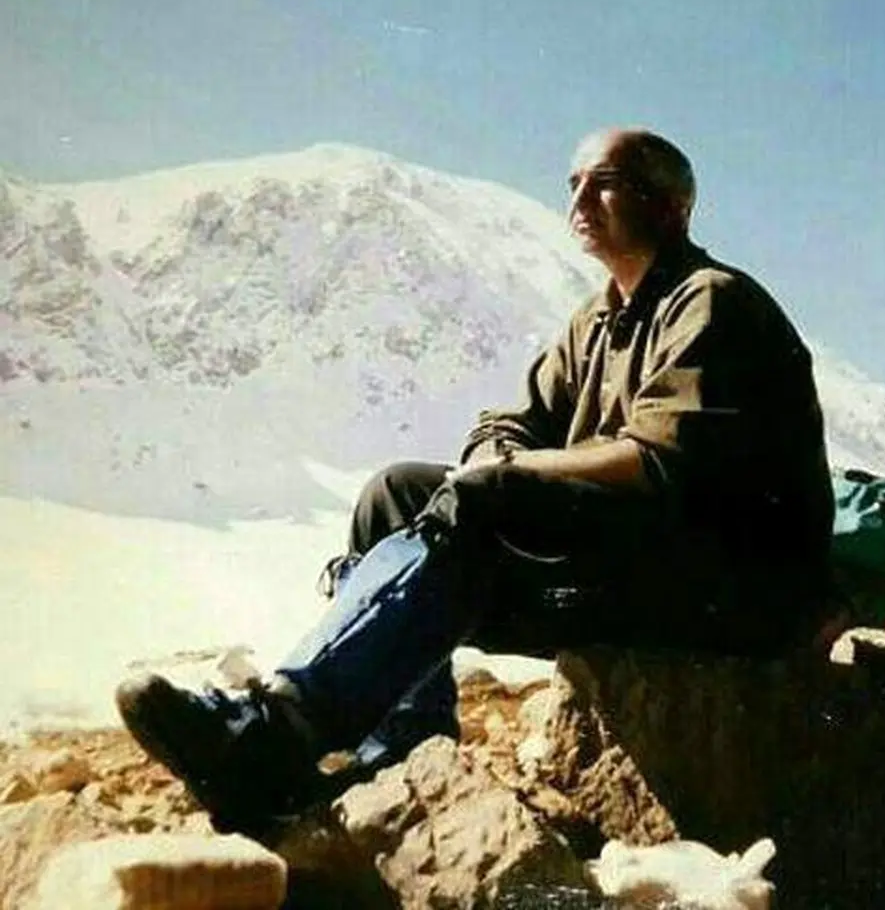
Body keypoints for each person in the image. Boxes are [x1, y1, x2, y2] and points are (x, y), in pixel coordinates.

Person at [116, 127, 835, 835]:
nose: (580, 200)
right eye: (575, 183)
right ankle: (400, 754)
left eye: (607, 183)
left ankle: (281, 731)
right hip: (639, 567)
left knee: (479, 497)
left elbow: (657, 459)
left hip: (727, 589)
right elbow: (511, 424)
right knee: (396, 493)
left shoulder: (711, 300)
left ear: (673, 206)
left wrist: (502, 476)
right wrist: (496, 462)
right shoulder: (598, 319)